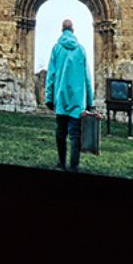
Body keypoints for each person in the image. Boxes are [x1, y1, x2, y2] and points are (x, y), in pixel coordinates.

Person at [45, 18, 90, 170]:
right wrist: (89, 102)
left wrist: (49, 98)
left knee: (60, 133)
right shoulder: (81, 50)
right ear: (73, 30)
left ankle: (61, 163)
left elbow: (51, 75)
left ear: (61, 30)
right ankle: (74, 166)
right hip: (77, 101)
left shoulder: (56, 48)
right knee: (75, 135)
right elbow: (87, 77)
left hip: (60, 97)